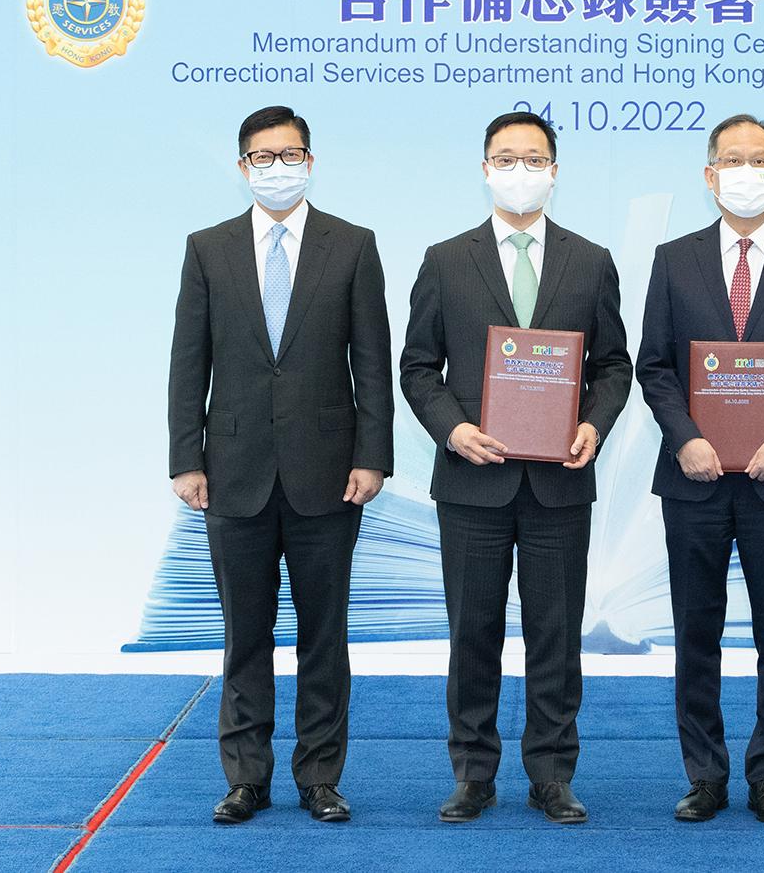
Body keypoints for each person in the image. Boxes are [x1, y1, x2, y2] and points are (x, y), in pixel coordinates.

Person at [400, 111, 632, 824]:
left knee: (555, 633)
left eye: (533, 158)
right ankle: (473, 771)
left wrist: (593, 422)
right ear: (484, 167)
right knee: (473, 629)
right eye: (506, 157)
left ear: (554, 170)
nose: (520, 170)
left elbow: (613, 364)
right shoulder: (445, 258)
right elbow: (417, 366)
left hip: (559, 481)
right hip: (472, 478)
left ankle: (552, 773)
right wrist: (453, 428)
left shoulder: (589, 259)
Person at [168, 105, 394, 824]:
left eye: (289, 153)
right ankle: (246, 776)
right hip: (231, 472)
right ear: (241, 168)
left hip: (329, 474)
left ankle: (319, 775)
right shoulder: (208, 248)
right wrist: (184, 456)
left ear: (310, 160)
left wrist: (373, 455)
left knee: (324, 635)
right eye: (262, 157)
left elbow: (372, 362)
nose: (276, 166)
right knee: (246, 633)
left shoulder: (352, 245)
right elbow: (188, 361)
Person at [635, 114, 764, 824]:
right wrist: (685, 436)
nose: (746, 171)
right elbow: (655, 365)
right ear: (709, 174)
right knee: (696, 630)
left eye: (760, 160)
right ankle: (703, 773)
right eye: (732, 159)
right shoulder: (675, 258)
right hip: (692, 478)